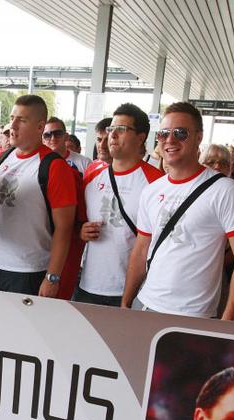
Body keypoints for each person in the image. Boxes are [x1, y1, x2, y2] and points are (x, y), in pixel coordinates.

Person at [121, 101, 234, 320]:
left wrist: (228, 320)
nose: (170, 140)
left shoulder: (225, 190)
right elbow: (141, 248)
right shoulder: (152, 191)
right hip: (145, 304)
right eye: (164, 133)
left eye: (180, 133)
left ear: (198, 137)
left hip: (194, 315)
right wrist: (126, 300)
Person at [0, 94, 78, 297]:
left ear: (40, 127)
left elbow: (64, 228)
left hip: (31, 271)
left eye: (22, 120)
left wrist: (52, 277)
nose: (12, 126)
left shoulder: (54, 167)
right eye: (12, 118)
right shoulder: (3, 158)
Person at [74, 103, 162, 307]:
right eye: (111, 128)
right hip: (87, 284)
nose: (112, 135)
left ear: (140, 138)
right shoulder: (92, 175)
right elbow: (77, 222)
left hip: (133, 290)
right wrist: (81, 230)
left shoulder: (156, 182)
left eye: (121, 129)